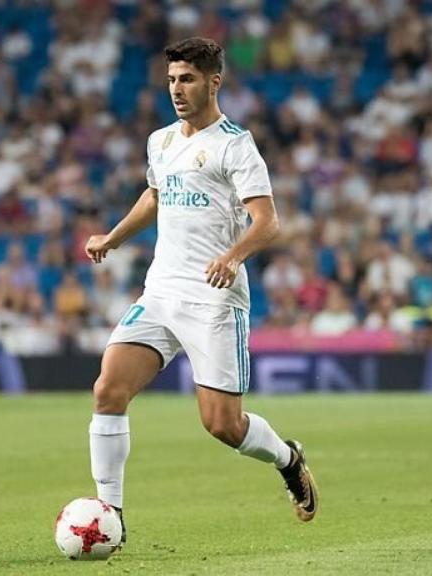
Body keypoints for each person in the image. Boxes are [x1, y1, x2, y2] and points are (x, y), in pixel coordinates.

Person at [83, 37, 319, 546]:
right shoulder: (162, 141)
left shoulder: (236, 144)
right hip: (161, 291)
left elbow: (268, 222)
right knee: (108, 390)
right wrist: (113, 238)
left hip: (214, 299)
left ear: (214, 81)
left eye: (186, 78)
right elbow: (155, 195)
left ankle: (287, 458)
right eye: (170, 79)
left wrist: (232, 256)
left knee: (223, 426)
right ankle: (112, 515)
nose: (176, 89)